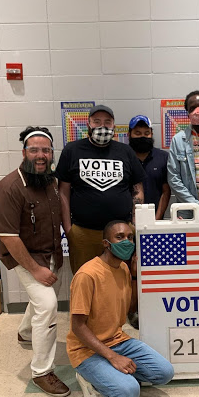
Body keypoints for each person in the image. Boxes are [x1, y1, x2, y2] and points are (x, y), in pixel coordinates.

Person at [0, 126, 70, 397]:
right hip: (26, 257)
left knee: (41, 301)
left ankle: (25, 332)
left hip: (52, 253)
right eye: (34, 150)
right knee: (48, 305)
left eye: (46, 150)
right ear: (24, 152)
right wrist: (36, 270)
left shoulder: (50, 180)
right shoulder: (8, 188)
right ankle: (41, 372)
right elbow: (8, 238)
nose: (41, 155)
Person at [67, 220, 174, 397]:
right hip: (86, 349)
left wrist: (134, 276)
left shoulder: (123, 268)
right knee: (129, 393)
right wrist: (112, 357)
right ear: (105, 244)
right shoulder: (87, 275)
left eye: (130, 237)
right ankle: (86, 376)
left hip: (118, 340)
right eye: (120, 237)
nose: (127, 242)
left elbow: (130, 309)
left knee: (165, 373)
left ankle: (109, 373)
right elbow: (77, 326)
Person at [56, 105, 146, 274]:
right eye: (96, 121)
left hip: (120, 234)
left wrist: (134, 225)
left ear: (114, 125)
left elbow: (137, 189)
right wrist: (69, 230)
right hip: (83, 233)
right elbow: (63, 191)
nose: (102, 126)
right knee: (85, 280)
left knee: (121, 281)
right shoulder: (72, 150)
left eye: (107, 122)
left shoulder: (125, 151)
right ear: (88, 124)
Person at [128, 115, 171, 220]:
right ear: (129, 134)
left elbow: (166, 191)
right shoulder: (122, 156)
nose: (142, 137)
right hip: (127, 222)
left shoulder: (163, 157)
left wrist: (156, 220)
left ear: (151, 134)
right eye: (137, 133)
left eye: (146, 133)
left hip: (155, 219)